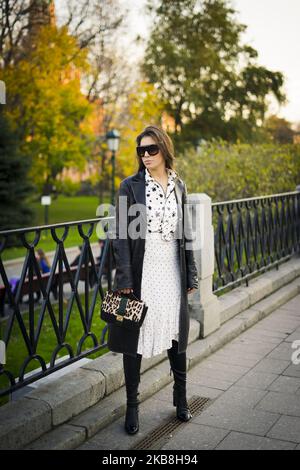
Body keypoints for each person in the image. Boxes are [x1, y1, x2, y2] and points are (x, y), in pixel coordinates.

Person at [108, 125, 199, 435]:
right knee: (135, 336)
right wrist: (124, 277)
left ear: (164, 149)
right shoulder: (129, 186)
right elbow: (121, 234)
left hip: (172, 270)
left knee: (177, 333)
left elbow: (186, 233)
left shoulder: (179, 185)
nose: (145, 156)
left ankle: (181, 398)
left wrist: (191, 272)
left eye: (151, 150)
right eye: (141, 151)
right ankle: (132, 407)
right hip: (143, 270)